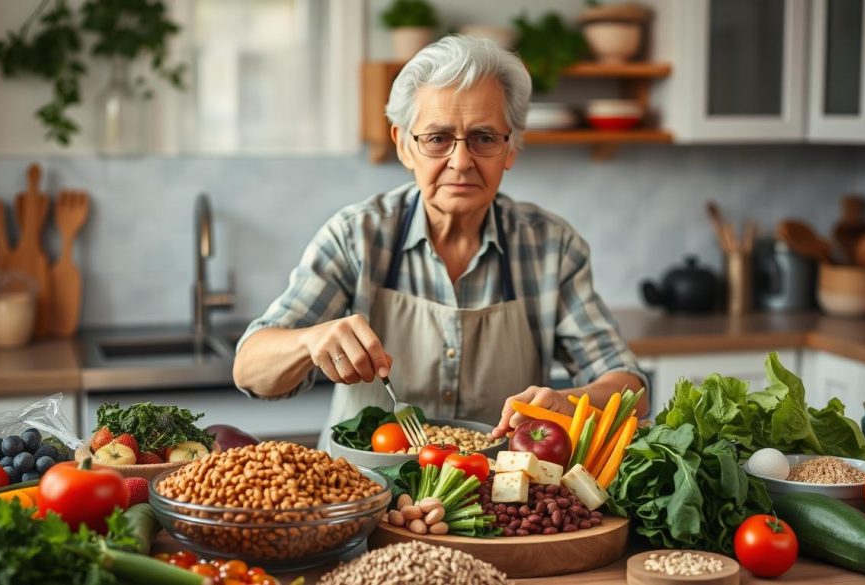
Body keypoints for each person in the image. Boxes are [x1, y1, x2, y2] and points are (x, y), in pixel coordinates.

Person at [233, 35, 648, 448]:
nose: (461, 161)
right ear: (403, 145)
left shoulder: (551, 247)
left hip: (496, 501)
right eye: (437, 138)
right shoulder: (356, 236)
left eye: (484, 138)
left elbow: (631, 387)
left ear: (511, 149)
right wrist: (309, 340)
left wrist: (568, 401)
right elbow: (250, 370)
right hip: (361, 497)